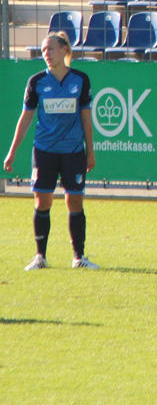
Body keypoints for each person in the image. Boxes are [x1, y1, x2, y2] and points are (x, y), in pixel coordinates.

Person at [4, 32, 98, 271]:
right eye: (43, 50)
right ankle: (40, 257)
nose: (46, 53)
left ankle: (79, 257)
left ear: (64, 50)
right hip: (44, 151)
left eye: (51, 49)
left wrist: (90, 150)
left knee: (74, 201)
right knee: (42, 201)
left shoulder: (80, 80)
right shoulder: (36, 82)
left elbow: (86, 118)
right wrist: (12, 151)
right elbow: (25, 119)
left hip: (73, 151)